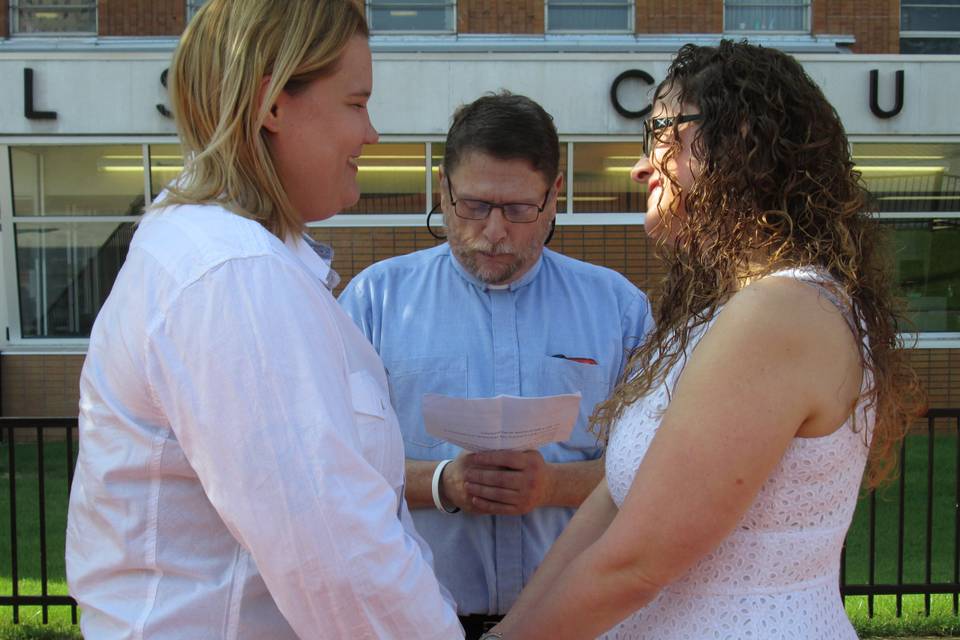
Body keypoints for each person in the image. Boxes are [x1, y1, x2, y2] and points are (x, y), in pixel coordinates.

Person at [486, 40, 924, 639]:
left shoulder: (784, 313)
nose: (642, 165)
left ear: (738, 141)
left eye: (663, 134)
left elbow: (636, 564)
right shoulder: (729, 311)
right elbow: (612, 506)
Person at [65, 1, 462, 638]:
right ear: (272, 102)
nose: (372, 134)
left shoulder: (227, 257)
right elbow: (337, 559)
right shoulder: (233, 273)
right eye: (356, 103)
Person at [338, 92, 653, 638]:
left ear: (554, 195)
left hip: (577, 623)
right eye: (475, 206)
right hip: (418, 621)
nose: (494, 231)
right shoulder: (376, 302)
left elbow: (656, 468)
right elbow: (332, 465)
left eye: (518, 209)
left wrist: (552, 486)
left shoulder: (619, 308)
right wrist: (442, 483)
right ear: (444, 189)